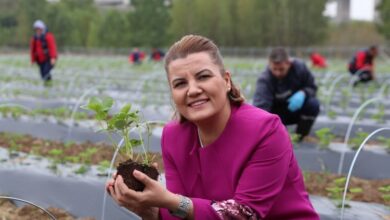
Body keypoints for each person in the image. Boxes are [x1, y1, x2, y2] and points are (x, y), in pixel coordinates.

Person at [106, 35, 319, 219]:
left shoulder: (265, 130)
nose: (193, 90)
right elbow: (185, 213)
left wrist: (171, 201)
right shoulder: (173, 136)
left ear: (226, 80)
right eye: (180, 83)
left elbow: (243, 214)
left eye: (203, 76)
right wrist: (148, 211)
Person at [253, 47, 320, 141]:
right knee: (279, 138)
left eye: (281, 69)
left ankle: (300, 137)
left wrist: (303, 93)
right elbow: (261, 108)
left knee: (313, 104)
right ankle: (279, 136)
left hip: (295, 109)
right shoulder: (265, 80)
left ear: (289, 63)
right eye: (274, 69)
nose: (278, 73)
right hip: (276, 114)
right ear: (269, 64)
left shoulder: (299, 68)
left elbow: (312, 87)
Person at [30, 20, 57, 86]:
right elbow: (32, 50)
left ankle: (48, 85)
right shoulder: (34, 38)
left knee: (46, 73)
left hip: (48, 59)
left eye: (39, 29)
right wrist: (33, 60)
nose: (38, 30)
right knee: (42, 74)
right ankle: (47, 85)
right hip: (40, 60)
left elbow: (52, 47)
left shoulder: (48, 36)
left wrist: (53, 58)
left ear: (42, 28)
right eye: (36, 29)